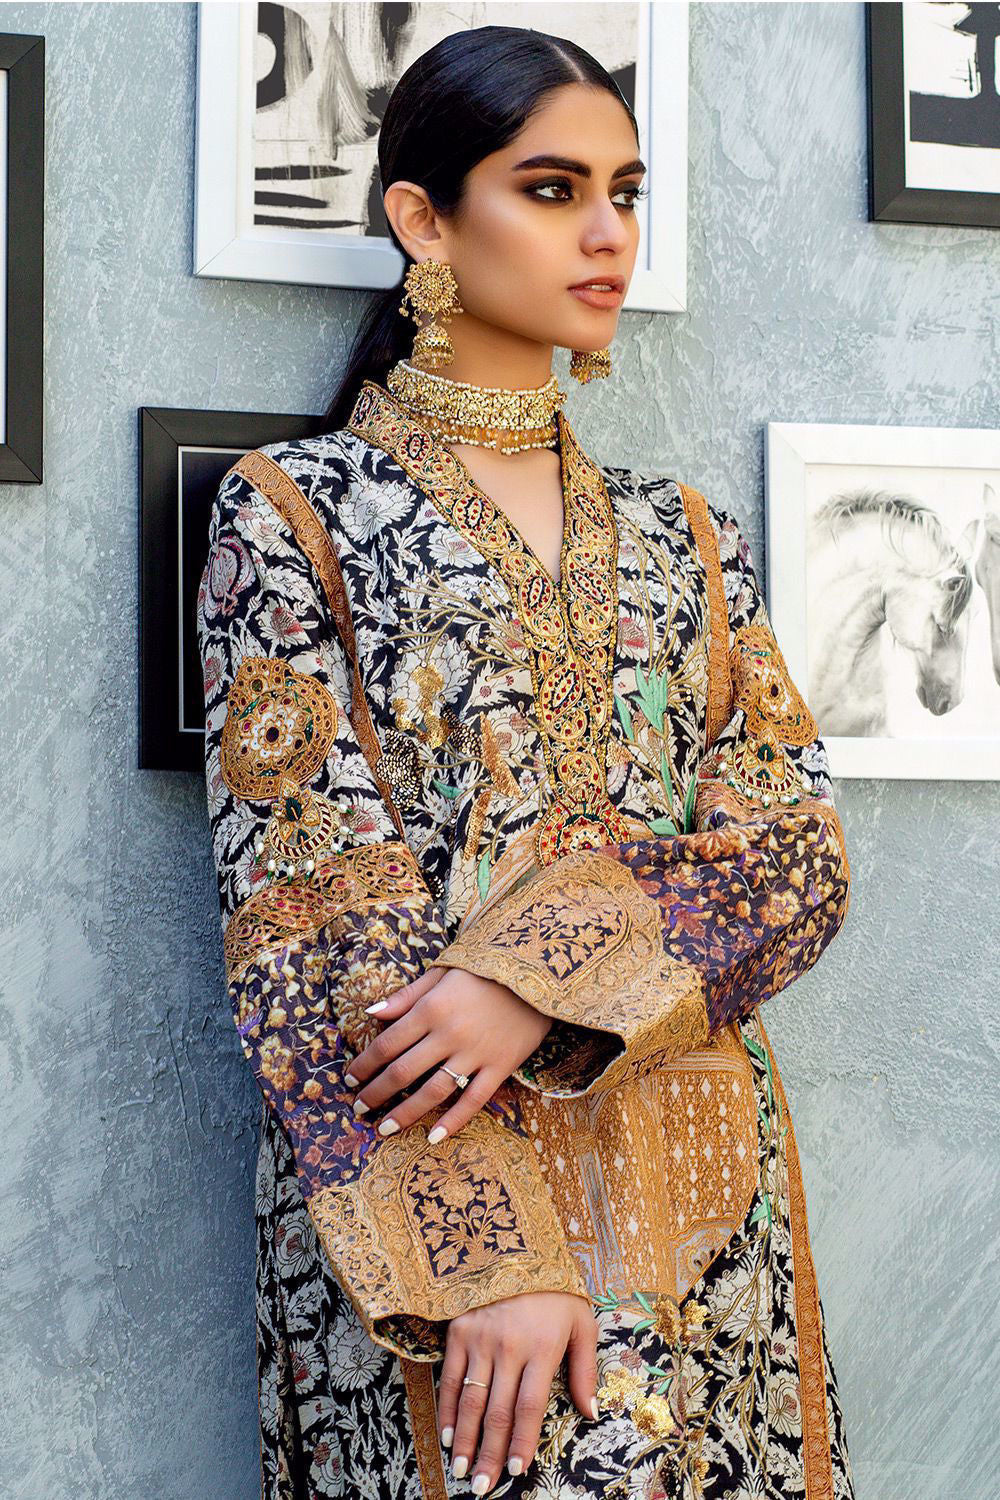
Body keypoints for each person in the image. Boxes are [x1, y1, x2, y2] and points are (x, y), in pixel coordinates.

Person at [197, 24, 855, 1500]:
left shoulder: (688, 535)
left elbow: (798, 858)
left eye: (625, 192)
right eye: (553, 190)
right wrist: (484, 1262)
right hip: (441, 1234)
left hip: (707, 1206)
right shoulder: (295, 518)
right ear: (424, 221)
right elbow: (308, 916)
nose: (608, 233)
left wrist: (532, 980)